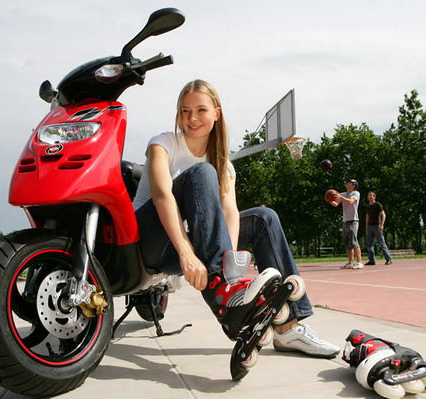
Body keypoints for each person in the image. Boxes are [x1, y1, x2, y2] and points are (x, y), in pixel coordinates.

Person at [132, 79, 339, 358]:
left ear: (216, 113)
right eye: (184, 111)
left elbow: (229, 213)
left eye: (201, 110)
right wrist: (186, 253)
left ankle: (289, 328)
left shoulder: (224, 165)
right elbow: (161, 196)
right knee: (202, 173)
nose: (192, 118)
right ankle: (226, 294)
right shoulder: (163, 143)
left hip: (192, 246)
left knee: (264, 218)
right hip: (147, 242)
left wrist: (231, 268)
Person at [329, 179, 363, 269]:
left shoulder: (356, 193)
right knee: (347, 242)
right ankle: (350, 262)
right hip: (345, 221)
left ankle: (359, 262)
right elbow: (336, 204)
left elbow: (350, 202)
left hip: (354, 220)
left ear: (353, 185)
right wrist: (329, 199)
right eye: (347, 182)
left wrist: (341, 197)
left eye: (349, 183)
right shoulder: (342, 194)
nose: (347, 183)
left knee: (354, 241)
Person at [364, 191, 393, 265]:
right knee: (369, 244)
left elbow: (383, 214)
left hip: (377, 226)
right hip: (370, 227)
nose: (369, 197)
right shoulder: (368, 206)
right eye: (368, 195)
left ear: (374, 197)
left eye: (371, 195)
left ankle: (388, 259)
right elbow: (367, 216)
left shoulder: (378, 205)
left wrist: (382, 225)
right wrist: (366, 226)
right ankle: (372, 260)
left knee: (381, 243)